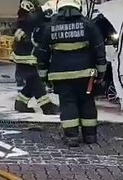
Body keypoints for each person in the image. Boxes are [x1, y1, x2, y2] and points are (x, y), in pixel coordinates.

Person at [34, 0, 107, 147]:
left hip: (61, 76)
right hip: (86, 75)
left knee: (68, 104)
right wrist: (101, 73)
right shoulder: (88, 25)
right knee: (87, 102)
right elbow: (99, 50)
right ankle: (90, 136)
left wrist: (44, 77)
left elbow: (42, 56)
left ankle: (72, 137)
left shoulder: (50, 28)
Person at [11, 0, 59, 115]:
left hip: (25, 56)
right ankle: (46, 106)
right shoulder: (25, 19)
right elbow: (35, 20)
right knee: (36, 82)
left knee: (32, 81)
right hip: (27, 57)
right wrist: (42, 11)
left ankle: (21, 102)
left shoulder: (23, 18)